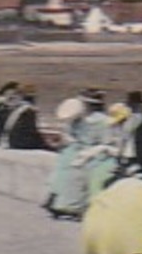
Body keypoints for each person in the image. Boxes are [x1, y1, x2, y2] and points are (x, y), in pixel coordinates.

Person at [43, 89, 116, 219]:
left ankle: (74, 207)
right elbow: (71, 135)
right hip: (77, 149)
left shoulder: (103, 121)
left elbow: (107, 142)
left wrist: (89, 151)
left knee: (78, 168)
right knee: (64, 162)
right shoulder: (78, 119)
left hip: (95, 152)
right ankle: (56, 201)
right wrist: (69, 140)